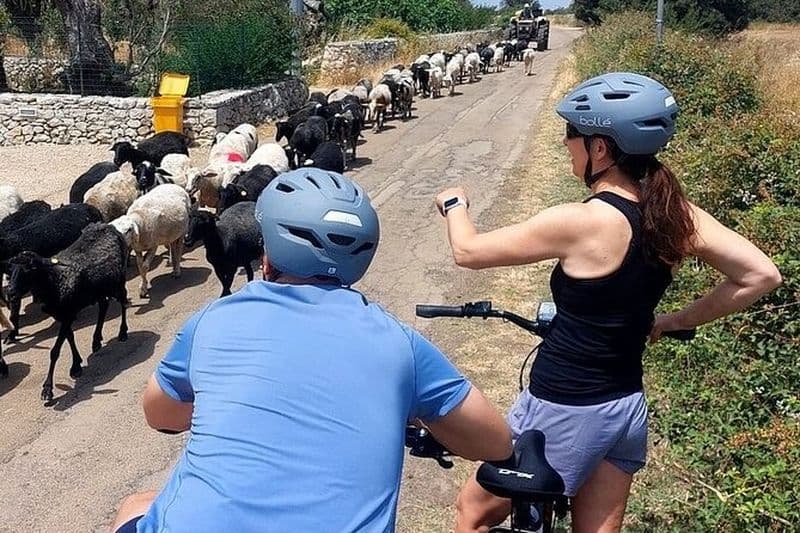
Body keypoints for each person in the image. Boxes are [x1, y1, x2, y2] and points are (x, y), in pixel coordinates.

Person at [434, 72, 782, 533]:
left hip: (565, 406)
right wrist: (673, 319)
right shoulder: (676, 212)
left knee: (473, 513)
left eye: (571, 135)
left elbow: (469, 252)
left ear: (600, 148)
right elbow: (761, 274)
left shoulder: (584, 220)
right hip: (624, 410)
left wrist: (455, 203)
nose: (565, 145)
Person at [111, 168, 513, 532]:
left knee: (136, 504)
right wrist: (419, 416)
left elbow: (159, 412)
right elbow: (495, 444)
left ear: (268, 255)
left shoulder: (211, 321)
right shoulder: (401, 344)